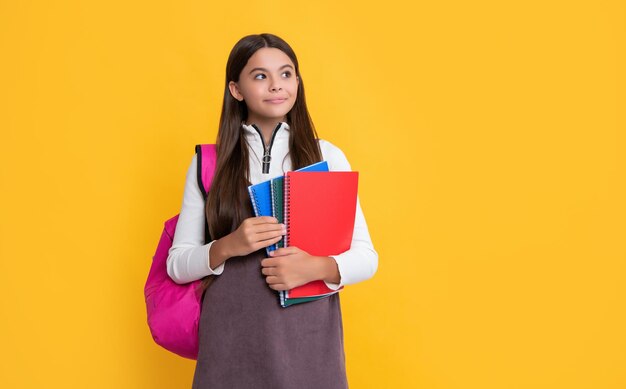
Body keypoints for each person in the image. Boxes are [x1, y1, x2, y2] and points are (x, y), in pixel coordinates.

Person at [166, 33, 378, 389]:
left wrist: (315, 267)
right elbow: (177, 265)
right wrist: (227, 246)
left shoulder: (325, 156)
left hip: (308, 341)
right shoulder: (208, 162)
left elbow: (366, 256)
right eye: (260, 76)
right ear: (236, 89)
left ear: (298, 81)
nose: (277, 86)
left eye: (286, 74)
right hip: (229, 341)